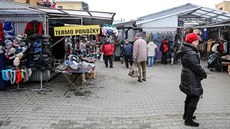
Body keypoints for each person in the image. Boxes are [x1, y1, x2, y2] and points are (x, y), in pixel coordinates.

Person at [176, 33, 207, 127]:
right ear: (190, 42)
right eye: (195, 41)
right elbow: (196, 67)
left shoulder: (185, 50)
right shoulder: (191, 53)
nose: (197, 43)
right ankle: (188, 120)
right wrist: (204, 74)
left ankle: (186, 115)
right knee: (195, 96)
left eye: (197, 41)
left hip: (187, 75)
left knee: (190, 95)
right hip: (191, 77)